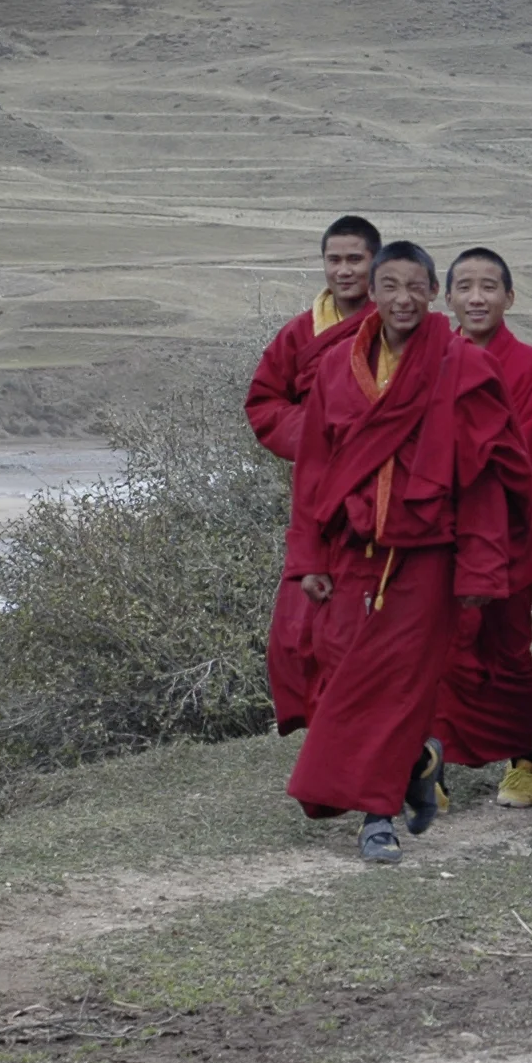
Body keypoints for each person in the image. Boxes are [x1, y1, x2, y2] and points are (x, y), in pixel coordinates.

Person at [286, 242, 531, 862]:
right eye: (388, 285)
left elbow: (483, 479)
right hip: (352, 549)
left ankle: (377, 818)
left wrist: (481, 567)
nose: (401, 299)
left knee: (393, 687)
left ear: (433, 294)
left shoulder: (463, 366)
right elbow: (314, 467)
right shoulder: (341, 368)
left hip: (428, 556)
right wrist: (307, 557)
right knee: (339, 669)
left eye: (414, 287)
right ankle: (419, 761)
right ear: (371, 291)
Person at [244, 214, 380, 735]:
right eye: (334, 260)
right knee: (296, 629)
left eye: (355, 259)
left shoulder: (392, 325)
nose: (344, 271)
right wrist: (316, 433)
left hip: (378, 494)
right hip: (318, 494)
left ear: (376, 262)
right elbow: (262, 404)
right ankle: (323, 730)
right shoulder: (302, 332)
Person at [441, 247, 532, 807]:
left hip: (509, 535)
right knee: (440, 652)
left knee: (510, 650)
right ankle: (432, 767)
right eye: (464, 286)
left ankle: (522, 761)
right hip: (442, 539)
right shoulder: (434, 361)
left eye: (489, 286)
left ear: (510, 297)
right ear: (448, 299)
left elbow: (528, 461)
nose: (477, 297)